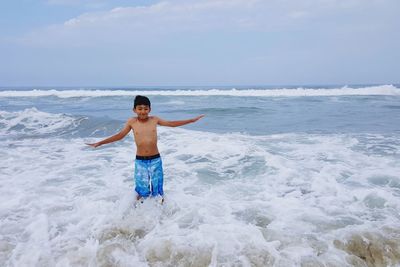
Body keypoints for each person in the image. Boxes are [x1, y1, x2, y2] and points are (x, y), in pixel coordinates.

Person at [87, 95, 204, 203]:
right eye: (140, 108)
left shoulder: (154, 120)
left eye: (145, 109)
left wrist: (191, 120)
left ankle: (160, 215)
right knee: (141, 190)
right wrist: (100, 143)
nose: (143, 111)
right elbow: (120, 135)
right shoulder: (131, 122)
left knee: (157, 190)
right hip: (140, 161)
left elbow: (171, 123)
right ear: (134, 110)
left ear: (150, 109)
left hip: (155, 160)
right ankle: (138, 214)